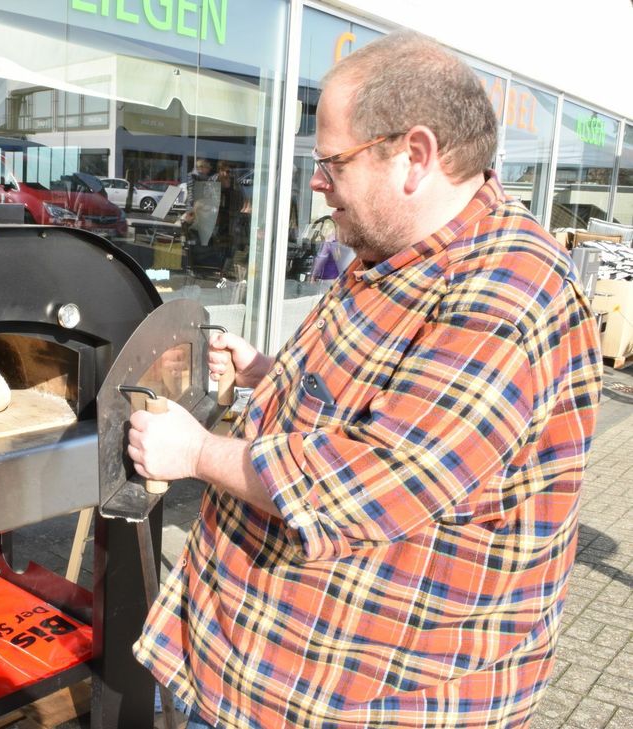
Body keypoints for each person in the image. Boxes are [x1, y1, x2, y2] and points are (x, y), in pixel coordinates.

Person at [128, 31, 602, 728]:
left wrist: (196, 452)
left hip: (367, 702)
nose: (316, 181)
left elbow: (378, 475)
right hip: (257, 671)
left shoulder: (511, 290)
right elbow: (375, 401)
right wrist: (268, 373)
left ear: (414, 157)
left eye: (332, 162)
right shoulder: (395, 249)